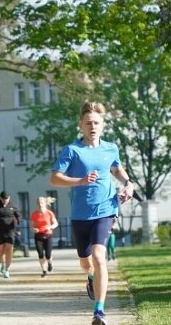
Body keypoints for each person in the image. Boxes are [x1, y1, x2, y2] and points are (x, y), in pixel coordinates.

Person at [50, 101, 135, 325]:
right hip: (80, 215)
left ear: (103, 125)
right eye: (88, 123)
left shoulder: (111, 148)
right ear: (81, 125)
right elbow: (55, 178)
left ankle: (99, 311)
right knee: (86, 262)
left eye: (96, 122)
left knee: (99, 257)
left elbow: (116, 168)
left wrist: (128, 183)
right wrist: (80, 181)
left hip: (106, 209)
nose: (92, 126)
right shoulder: (72, 150)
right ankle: (90, 277)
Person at [0, 191, 21, 278]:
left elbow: (19, 215)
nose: (5, 200)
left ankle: (7, 269)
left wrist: (18, 221)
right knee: (0, 250)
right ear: (0, 198)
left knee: (9, 249)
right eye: (3, 199)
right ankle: (3, 263)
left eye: (7, 199)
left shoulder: (13, 206)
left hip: (10, 230)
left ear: (9, 198)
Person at [30, 196, 59, 277]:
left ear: (45, 204)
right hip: (38, 236)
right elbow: (31, 226)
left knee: (48, 255)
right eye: (38, 203)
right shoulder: (34, 214)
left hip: (48, 235)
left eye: (41, 203)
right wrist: (33, 229)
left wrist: (50, 227)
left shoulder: (49, 213)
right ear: (36, 204)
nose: (40, 204)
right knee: (40, 254)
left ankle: (50, 263)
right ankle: (44, 270)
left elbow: (55, 223)